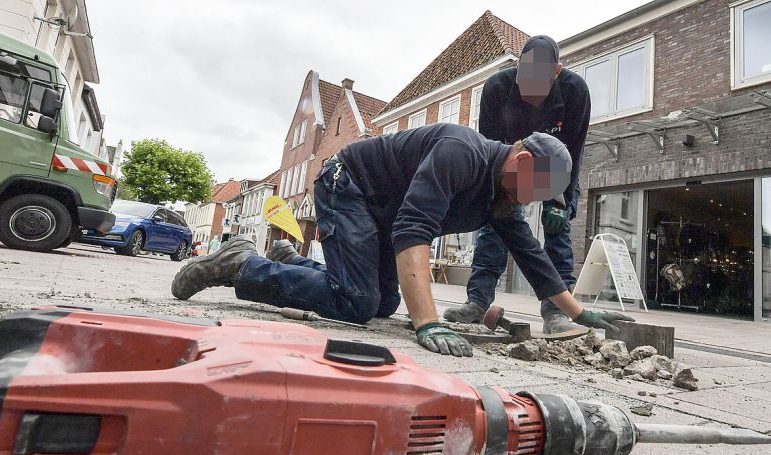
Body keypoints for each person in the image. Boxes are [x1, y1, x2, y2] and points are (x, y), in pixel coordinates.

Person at [170, 123, 631, 357]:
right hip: (347, 185)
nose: (534, 200)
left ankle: (288, 260)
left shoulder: (502, 195)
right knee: (356, 302)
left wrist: (577, 311)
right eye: (539, 188)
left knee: (381, 304)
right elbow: (413, 229)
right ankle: (240, 267)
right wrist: (428, 322)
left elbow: (531, 255)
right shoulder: (462, 152)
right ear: (524, 159)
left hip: (377, 216)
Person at [443, 35, 591, 338]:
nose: (530, 91)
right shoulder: (497, 88)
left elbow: (573, 155)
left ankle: (556, 312)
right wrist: (497, 195)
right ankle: (478, 301)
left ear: (557, 71)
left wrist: (562, 203)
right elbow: (488, 151)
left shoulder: (576, 92)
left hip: (555, 166)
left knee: (557, 229)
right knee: (494, 222)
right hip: (510, 158)